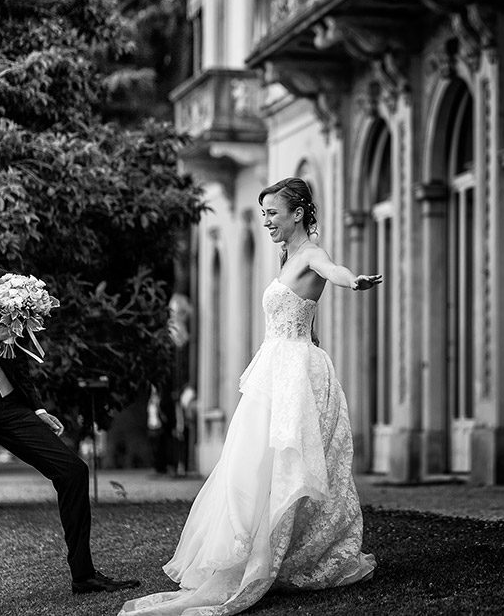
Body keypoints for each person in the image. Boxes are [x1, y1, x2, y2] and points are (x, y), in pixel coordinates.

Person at [120, 178, 380, 616]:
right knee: (252, 460)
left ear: (297, 213)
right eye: (262, 215)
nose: (266, 222)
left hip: (296, 368)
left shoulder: (313, 253)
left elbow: (332, 273)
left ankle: (286, 550)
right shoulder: (286, 256)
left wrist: (353, 282)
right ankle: (257, 547)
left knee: (286, 461)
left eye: (273, 214)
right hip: (276, 369)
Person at [0, 198, 140, 616]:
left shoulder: (0, 281)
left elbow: (16, 353)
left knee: (72, 471)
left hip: (9, 402)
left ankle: (84, 575)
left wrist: (33, 407)